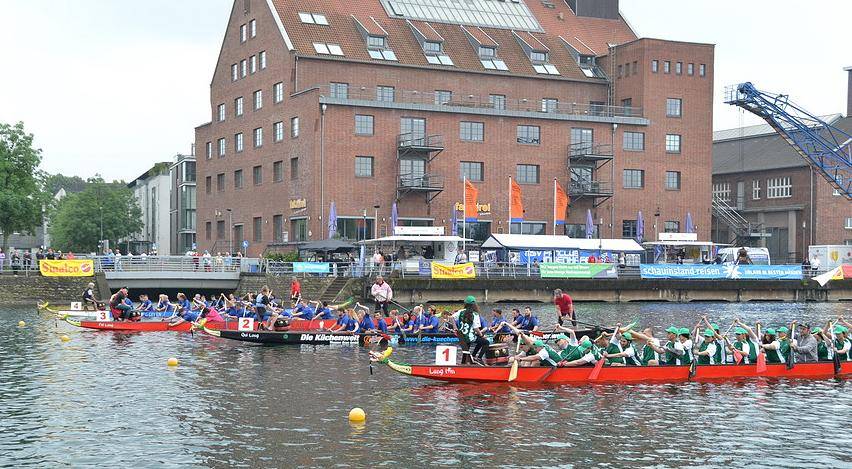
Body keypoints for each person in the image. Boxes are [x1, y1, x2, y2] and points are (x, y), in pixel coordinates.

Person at [451, 296, 486, 364]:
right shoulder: (475, 314)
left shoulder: (461, 311)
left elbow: (451, 317)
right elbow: (476, 329)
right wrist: (481, 335)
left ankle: (464, 364)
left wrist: (455, 328)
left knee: (465, 351)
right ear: (474, 304)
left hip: (461, 336)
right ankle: (477, 358)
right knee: (485, 342)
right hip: (469, 337)